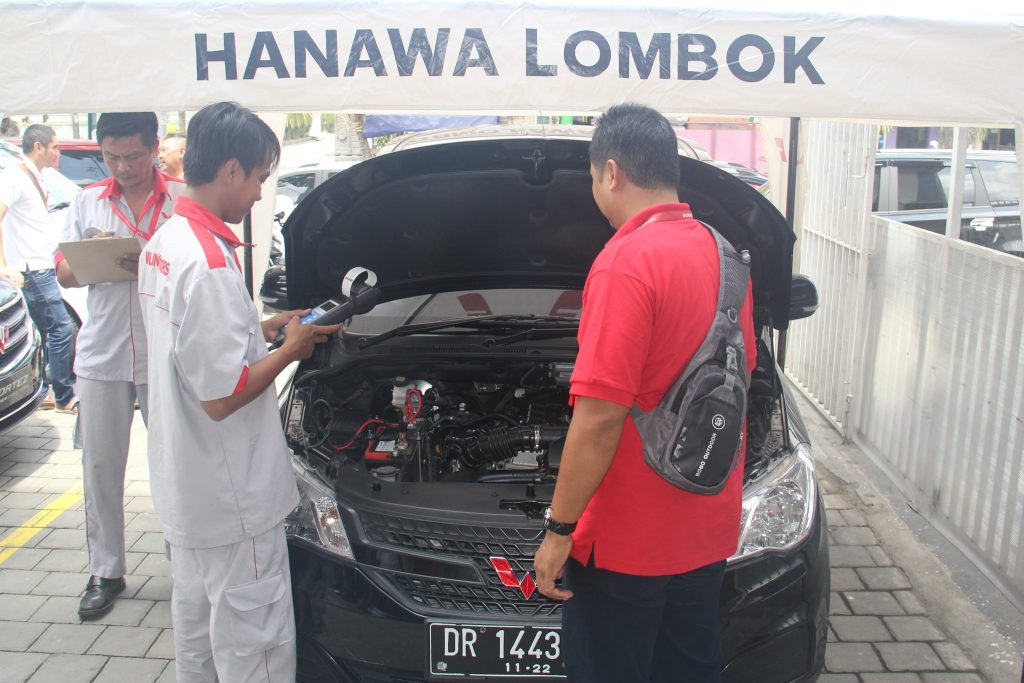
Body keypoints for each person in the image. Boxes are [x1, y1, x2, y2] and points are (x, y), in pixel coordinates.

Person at [532, 103, 756, 683]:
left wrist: (559, 532)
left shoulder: (625, 264)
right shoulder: (726, 254)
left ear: (611, 172)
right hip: (705, 524)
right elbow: (739, 378)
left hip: (627, 545)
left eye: (591, 180)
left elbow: (600, 418)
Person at [138, 101, 339, 682]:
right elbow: (222, 397)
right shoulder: (210, 265)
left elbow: (192, 349)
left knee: (199, 639)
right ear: (230, 170)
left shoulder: (166, 242)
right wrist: (290, 352)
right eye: (257, 178)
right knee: (256, 650)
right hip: (234, 506)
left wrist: (262, 328)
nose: (257, 194)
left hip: (188, 492)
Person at [57, 112, 185, 618]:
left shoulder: (181, 198)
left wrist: (152, 259)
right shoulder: (88, 201)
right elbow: (63, 273)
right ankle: (105, 570)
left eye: (133, 155)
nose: (124, 166)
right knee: (100, 466)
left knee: (175, 463)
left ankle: (185, 564)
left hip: (166, 353)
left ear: (155, 147)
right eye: (112, 157)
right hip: (103, 352)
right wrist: (98, 260)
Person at [0, 124, 76, 412]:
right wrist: (3, 265)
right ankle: (62, 395)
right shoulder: (14, 177)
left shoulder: (35, 177)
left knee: (49, 330)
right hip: (31, 268)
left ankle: (47, 391)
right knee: (60, 328)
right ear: (38, 147)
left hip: (42, 263)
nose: (58, 153)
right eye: (55, 147)